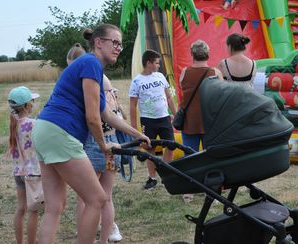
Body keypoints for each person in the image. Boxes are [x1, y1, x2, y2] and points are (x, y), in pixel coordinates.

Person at [31, 24, 150, 244]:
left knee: (55, 206)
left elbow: (106, 114)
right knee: (97, 198)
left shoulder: (91, 67)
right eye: (114, 42)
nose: (118, 48)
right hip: (60, 132)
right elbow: (92, 117)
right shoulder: (91, 62)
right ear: (98, 42)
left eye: (120, 44)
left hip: (44, 130)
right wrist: (103, 145)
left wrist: (136, 134)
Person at [65, 42, 123, 243]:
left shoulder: (91, 79)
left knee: (86, 197)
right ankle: (105, 238)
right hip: (112, 140)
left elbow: (93, 115)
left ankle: (83, 236)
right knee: (106, 196)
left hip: (94, 142)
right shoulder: (106, 80)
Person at [178, 40, 223, 203]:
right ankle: (213, 192)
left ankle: (189, 191)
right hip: (211, 122)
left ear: (192, 54)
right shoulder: (216, 73)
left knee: (189, 157)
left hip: (190, 121)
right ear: (207, 54)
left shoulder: (185, 72)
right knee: (211, 157)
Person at [129, 49, 177, 190]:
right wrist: (134, 129)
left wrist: (176, 114)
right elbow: (132, 106)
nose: (158, 65)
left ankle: (166, 172)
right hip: (148, 120)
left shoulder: (160, 76)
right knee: (150, 148)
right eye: (156, 63)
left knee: (171, 145)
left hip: (164, 118)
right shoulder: (137, 81)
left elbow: (168, 97)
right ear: (148, 63)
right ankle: (152, 177)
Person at [7, 86, 41, 244]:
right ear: (27, 106)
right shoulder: (33, 124)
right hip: (33, 173)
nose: (33, 104)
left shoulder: (13, 123)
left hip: (18, 173)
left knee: (21, 209)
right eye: (32, 101)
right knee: (33, 211)